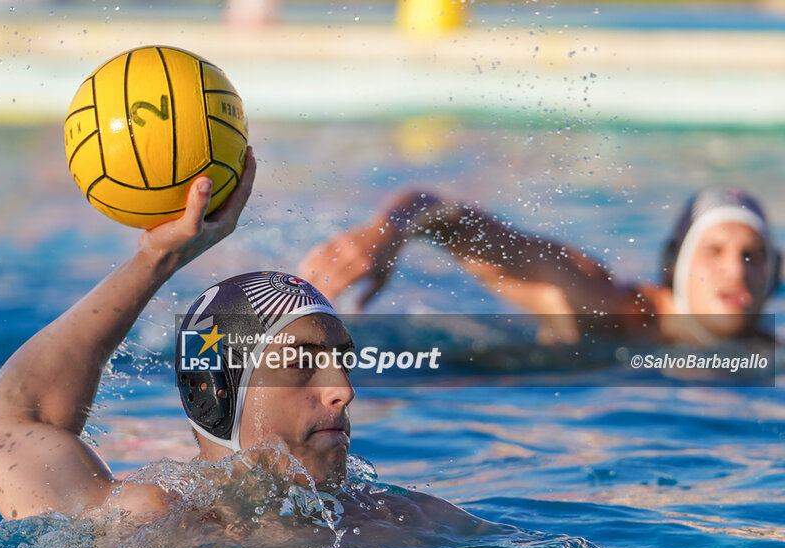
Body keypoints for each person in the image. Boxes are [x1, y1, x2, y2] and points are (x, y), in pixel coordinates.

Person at [0, 148, 505, 541]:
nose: (342, 389)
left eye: (344, 361)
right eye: (301, 364)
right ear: (217, 390)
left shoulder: (405, 522)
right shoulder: (146, 521)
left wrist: (406, 218)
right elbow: (8, 422)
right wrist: (155, 261)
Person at [298, 186, 780, 345]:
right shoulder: (613, 308)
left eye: (751, 256)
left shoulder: (768, 352)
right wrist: (389, 231)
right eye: (713, 251)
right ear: (676, 264)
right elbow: (451, 218)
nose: (735, 272)